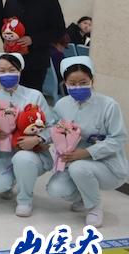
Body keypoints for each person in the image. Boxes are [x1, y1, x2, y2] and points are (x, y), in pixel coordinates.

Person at [46, 56, 128, 228]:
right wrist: (39, 138)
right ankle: (85, 197)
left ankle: (94, 208)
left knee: (79, 168)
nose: (78, 87)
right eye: (72, 83)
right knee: (55, 189)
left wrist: (86, 152)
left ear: (92, 80)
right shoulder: (62, 105)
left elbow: (119, 138)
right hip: (72, 162)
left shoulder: (108, 105)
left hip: (108, 166)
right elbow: (52, 128)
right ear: (65, 83)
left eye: (83, 82)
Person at [0, 52, 51, 218]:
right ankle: (9, 182)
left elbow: (52, 125)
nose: (7, 74)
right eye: (2, 71)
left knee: (23, 159)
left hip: (32, 152)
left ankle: (24, 200)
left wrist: (38, 138)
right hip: (4, 153)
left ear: (20, 70)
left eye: (12, 70)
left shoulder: (35, 96)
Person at [3, 0, 65, 91]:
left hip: (37, 60)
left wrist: (33, 39)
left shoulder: (50, 2)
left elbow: (58, 31)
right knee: (11, 93)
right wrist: (8, 42)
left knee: (32, 96)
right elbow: (3, 26)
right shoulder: (10, 2)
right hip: (13, 59)